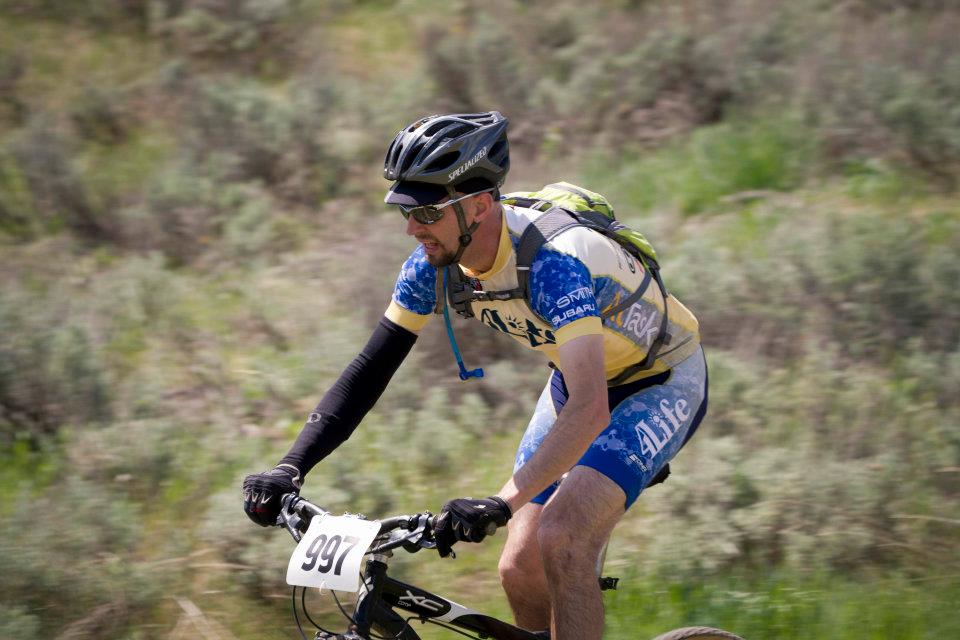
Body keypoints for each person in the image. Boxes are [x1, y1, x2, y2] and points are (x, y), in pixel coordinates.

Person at [242, 111, 707, 640]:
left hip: (659, 380)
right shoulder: (432, 266)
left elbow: (590, 408)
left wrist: (499, 503)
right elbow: (368, 372)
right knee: (518, 567)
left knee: (562, 539)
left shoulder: (554, 264)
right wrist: (291, 466)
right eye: (406, 212)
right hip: (576, 378)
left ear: (480, 205)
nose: (413, 228)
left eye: (427, 212)